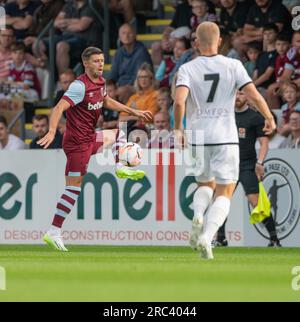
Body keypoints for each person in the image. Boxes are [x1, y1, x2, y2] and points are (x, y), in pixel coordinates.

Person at [174, 22, 276, 260]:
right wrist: (268, 116)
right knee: (225, 191)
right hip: (226, 138)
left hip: (198, 137)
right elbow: (253, 94)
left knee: (204, 185)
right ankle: (207, 236)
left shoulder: (187, 69)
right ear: (220, 41)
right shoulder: (233, 65)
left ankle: (198, 215)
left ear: (196, 43)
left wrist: (179, 129)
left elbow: (179, 102)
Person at [38, 47, 153, 252]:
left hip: (89, 137)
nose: (101, 64)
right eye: (96, 61)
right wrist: (51, 131)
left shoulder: (100, 82)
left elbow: (106, 100)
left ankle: (120, 167)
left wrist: (133, 111)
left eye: (102, 60)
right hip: (76, 144)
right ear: (86, 63)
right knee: (73, 189)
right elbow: (58, 108)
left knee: (119, 132)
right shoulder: (78, 86)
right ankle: (54, 231)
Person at [214, 91, 281, 248]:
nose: (238, 97)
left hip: (247, 165)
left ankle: (274, 238)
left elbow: (264, 143)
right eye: (235, 94)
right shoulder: (225, 115)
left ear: (248, 97)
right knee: (221, 201)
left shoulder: (255, 117)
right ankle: (221, 238)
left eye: (242, 94)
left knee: (255, 202)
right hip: (228, 165)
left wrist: (260, 162)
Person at [109, 23, 152, 104]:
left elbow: (140, 77)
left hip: (137, 85)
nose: (126, 36)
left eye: (129, 33)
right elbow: (113, 75)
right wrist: (109, 86)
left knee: (123, 91)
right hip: (121, 86)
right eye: (123, 33)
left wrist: (126, 87)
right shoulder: (119, 52)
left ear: (135, 35)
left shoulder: (141, 51)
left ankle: (124, 115)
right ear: (119, 36)